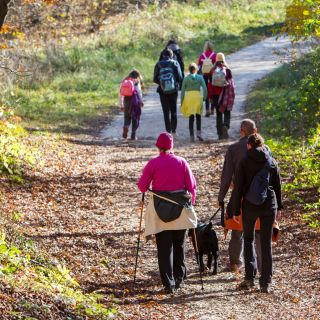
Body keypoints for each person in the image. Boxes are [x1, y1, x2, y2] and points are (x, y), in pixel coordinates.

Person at [137, 132, 197, 294]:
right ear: (172, 146)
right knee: (179, 244)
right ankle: (179, 277)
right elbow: (192, 186)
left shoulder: (153, 163)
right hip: (180, 210)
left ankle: (168, 283)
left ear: (158, 146)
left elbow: (142, 187)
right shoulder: (182, 162)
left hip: (160, 210)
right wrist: (192, 203)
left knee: (164, 248)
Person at [233, 133, 283, 293]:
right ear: (262, 145)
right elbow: (277, 185)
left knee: (248, 239)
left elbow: (238, 187)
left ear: (249, 145)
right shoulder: (271, 160)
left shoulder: (244, 161)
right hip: (269, 204)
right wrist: (279, 207)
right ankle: (265, 282)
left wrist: (235, 209)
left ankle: (249, 278)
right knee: (266, 243)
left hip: (250, 205)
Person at [217, 119, 262, 273]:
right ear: (255, 130)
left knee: (238, 229)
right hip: (260, 196)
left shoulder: (234, 149)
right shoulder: (264, 148)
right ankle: (260, 265)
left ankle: (236, 262)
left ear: (242, 131)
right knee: (258, 231)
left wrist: (221, 197)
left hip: (240, 195)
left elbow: (227, 176)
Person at [154, 48, 183, 135]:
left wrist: (163, 84)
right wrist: (174, 83)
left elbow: (155, 79)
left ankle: (168, 131)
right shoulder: (175, 63)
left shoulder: (158, 64)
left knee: (166, 112)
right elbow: (180, 77)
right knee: (173, 110)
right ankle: (174, 130)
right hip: (173, 91)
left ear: (163, 55)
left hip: (162, 92)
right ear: (171, 55)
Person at [208, 52, 233, 139]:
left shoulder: (212, 70)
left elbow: (210, 85)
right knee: (227, 112)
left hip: (215, 96)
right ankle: (226, 125)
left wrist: (210, 96)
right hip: (224, 95)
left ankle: (219, 134)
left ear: (216, 60)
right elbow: (231, 84)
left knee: (218, 114)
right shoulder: (227, 70)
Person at [180, 63, 207, 142]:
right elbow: (205, 88)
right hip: (197, 97)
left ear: (189, 69)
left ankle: (191, 136)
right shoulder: (200, 77)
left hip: (189, 98)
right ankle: (199, 133)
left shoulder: (186, 78)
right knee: (198, 116)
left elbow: (182, 91)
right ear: (196, 69)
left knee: (191, 117)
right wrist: (204, 98)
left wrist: (182, 102)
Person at [119, 69, 144, 140]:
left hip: (126, 101)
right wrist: (141, 101)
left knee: (127, 117)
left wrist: (121, 104)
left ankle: (126, 126)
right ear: (137, 76)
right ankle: (133, 135)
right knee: (135, 118)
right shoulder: (136, 81)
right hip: (135, 102)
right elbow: (139, 92)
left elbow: (120, 94)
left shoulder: (124, 81)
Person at [197, 40, 216, 117]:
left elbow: (198, 66)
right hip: (212, 75)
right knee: (213, 91)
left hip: (204, 75)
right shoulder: (214, 55)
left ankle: (207, 109)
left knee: (206, 91)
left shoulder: (202, 55)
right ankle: (212, 109)